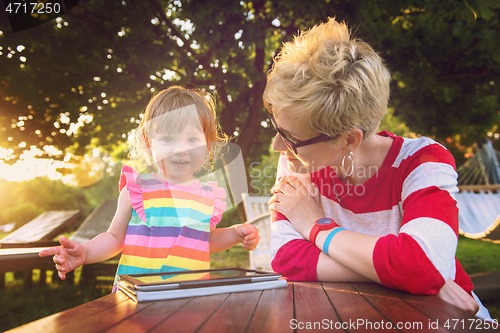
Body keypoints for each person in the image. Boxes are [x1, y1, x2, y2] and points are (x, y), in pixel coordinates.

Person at [264, 18, 492, 320]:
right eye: (277, 127)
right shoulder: (299, 161)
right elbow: (286, 259)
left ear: (348, 140)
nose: (278, 146)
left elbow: (422, 266)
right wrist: (407, 277)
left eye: (292, 138)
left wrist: (314, 226)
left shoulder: (423, 161)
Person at [40, 86, 259, 290]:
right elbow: (115, 238)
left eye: (192, 139)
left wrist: (234, 235)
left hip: (189, 297)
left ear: (208, 143)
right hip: (138, 295)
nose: (181, 149)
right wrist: (85, 252)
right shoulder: (137, 190)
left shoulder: (209, 197)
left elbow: (205, 241)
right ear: (148, 142)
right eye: (168, 139)